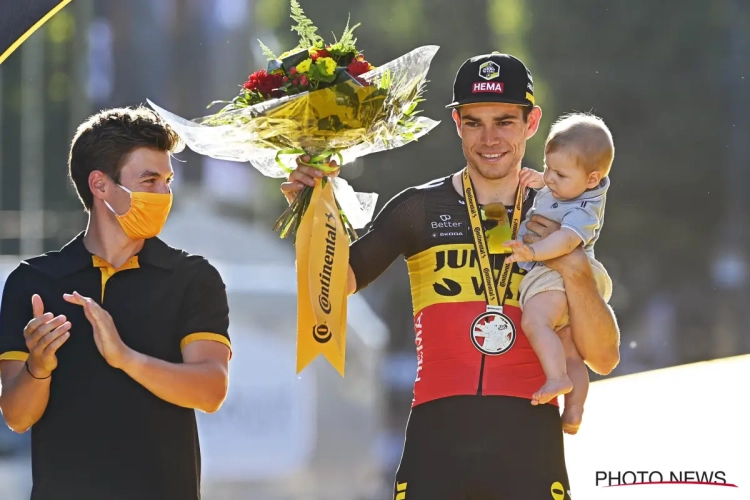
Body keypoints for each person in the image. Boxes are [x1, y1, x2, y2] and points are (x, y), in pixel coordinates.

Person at [282, 53, 620, 499]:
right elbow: (331, 288)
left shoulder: (564, 213)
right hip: (437, 431)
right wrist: (312, 211)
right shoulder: (418, 209)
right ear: (457, 124)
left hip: (528, 432)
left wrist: (573, 267)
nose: (490, 138)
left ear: (531, 122)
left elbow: (604, 358)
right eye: (475, 122)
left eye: (504, 121)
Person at [0, 106, 232, 500]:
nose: (164, 195)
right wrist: (39, 368)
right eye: (149, 181)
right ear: (100, 185)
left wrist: (125, 357)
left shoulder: (193, 277)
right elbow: (17, 417)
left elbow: (210, 391)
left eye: (167, 181)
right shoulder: (32, 282)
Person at [504, 112, 615, 435]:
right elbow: (554, 188)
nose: (550, 178)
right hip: (564, 277)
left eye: (559, 174)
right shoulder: (570, 187)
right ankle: (575, 409)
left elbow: (567, 241)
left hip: (557, 274)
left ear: (592, 180)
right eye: (547, 168)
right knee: (569, 348)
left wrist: (532, 252)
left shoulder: (584, 210)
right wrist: (542, 180)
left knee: (535, 322)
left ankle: (556, 379)